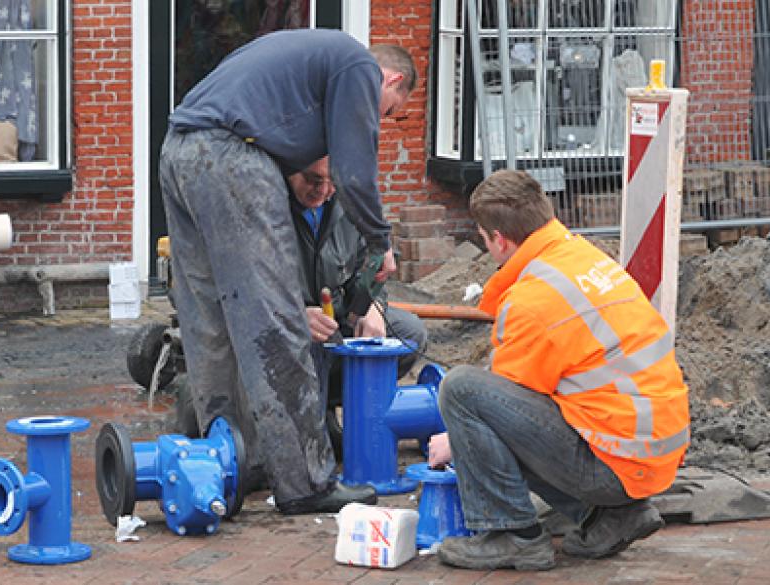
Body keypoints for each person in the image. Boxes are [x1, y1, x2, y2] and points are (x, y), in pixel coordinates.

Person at [159, 28, 416, 515]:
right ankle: (306, 484)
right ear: (390, 79)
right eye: (388, 112)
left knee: (209, 319)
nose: (378, 121)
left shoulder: (300, 58)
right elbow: (354, 172)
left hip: (177, 150)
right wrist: (380, 241)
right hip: (231, 158)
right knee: (276, 323)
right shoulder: (357, 67)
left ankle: (228, 462)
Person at [426, 170, 690, 570]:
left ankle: (513, 536)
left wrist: (456, 438)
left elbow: (500, 402)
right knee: (504, 403)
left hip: (617, 463)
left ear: (499, 239)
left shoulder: (533, 300)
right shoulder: (582, 258)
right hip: (651, 454)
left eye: (483, 238)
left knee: (460, 389)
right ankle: (610, 517)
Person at [287, 156, 427, 386]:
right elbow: (243, 296)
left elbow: (362, 271)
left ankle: (339, 401)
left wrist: (372, 307)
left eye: (332, 181)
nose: (323, 191)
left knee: (409, 334)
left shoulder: (348, 206)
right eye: (313, 180)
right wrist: (294, 317)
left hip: (333, 325)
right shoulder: (266, 207)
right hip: (284, 333)